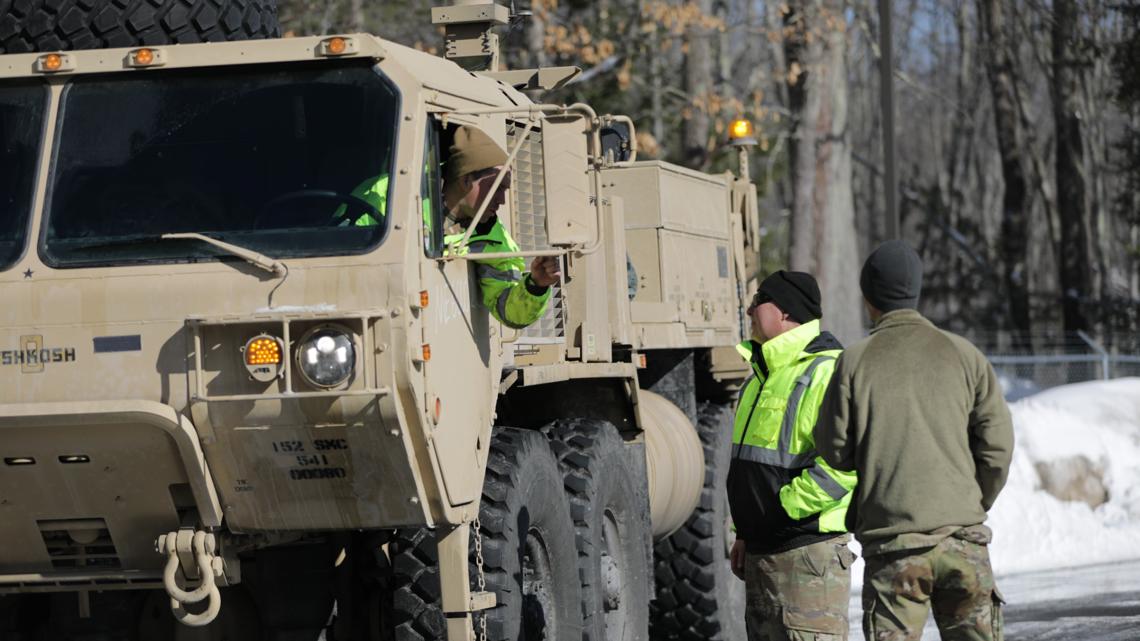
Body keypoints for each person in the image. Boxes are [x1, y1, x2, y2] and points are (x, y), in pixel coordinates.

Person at [814, 240, 1015, 641]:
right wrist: (972, 502)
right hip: (963, 543)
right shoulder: (964, 355)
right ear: (916, 290)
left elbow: (833, 449)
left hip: (894, 549)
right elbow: (997, 446)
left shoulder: (854, 361)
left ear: (868, 295)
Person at [727, 270, 857, 641]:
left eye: (758, 303)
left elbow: (844, 465)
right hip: (763, 554)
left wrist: (783, 509)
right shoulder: (761, 376)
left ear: (783, 312)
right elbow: (754, 468)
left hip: (807, 557)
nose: (750, 311)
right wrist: (745, 532)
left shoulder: (827, 371)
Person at [440, 126, 560, 329]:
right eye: (497, 187)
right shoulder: (393, 204)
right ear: (466, 179)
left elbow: (507, 309)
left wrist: (536, 285)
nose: (503, 200)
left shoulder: (494, 235)